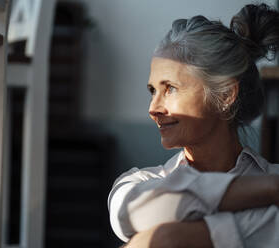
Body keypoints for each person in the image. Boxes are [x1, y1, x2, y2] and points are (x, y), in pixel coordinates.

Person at [108, 3, 279, 248]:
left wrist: (172, 237)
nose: (152, 107)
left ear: (225, 96)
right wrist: (268, 193)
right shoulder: (136, 183)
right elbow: (129, 213)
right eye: (152, 90)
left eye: (170, 89)